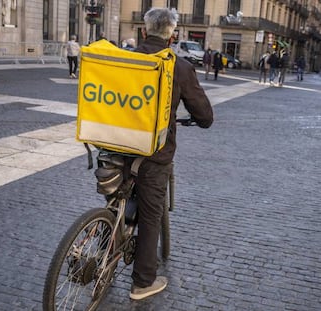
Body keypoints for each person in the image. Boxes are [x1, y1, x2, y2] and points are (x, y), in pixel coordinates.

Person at [130, 7, 213, 301]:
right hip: (153, 153)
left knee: (116, 201)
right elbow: (204, 115)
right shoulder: (178, 67)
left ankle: (102, 234)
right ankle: (143, 282)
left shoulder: (125, 58)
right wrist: (200, 120)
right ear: (172, 36)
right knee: (151, 216)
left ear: (143, 31)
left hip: (114, 145)